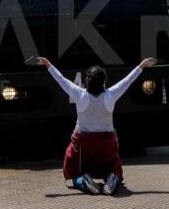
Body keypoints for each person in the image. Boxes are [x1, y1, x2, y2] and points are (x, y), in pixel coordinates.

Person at [37, 57, 157, 195]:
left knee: (74, 169)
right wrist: (141, 65)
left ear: (86, 81)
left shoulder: (79, 94)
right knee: (111, 166)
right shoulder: (111, 95)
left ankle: (83, 180)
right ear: (103, 82)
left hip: (83, 146)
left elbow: (61, 80)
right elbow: (128, 80)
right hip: (106, 145)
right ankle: (112, 178)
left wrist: (48, 64)